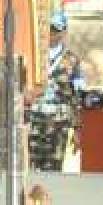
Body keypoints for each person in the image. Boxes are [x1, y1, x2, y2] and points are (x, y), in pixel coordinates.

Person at [26, 10, 89, 172]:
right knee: (31, 169)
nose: (51, 34)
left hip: (58, 124)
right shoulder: (31, 57)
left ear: (64, 32)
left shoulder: (71, 60)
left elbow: (77, 96)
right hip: (33, 121)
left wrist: (78, 129)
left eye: (55, 30)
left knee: (54, 169)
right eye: (48, 30)